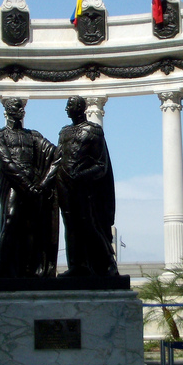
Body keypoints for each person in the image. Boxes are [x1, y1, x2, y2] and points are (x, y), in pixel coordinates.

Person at [0, 98, 58, 279]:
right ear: (8, 110)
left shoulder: (33, 135)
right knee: (10, 220)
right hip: (15, 184)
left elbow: (54, 153)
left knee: (32, 227)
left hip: (33, 184)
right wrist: (27, 186)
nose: (21, 111)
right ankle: (1, 265)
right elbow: (6, 163)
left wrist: (43, 182)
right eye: (16, 108)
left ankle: (29, 269)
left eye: (22, 108)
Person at [55, 96, 118, 278]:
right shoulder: (64, 132)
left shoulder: (94, 131)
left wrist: (81, 176)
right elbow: (58, 157)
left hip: (85, 188)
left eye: (70, 105)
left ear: (80, 108)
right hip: (64, 185)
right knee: (70, 227)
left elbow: (101, 165)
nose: (66, 109)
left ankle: (108, 263)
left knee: (89, 225)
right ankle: (77, 266)